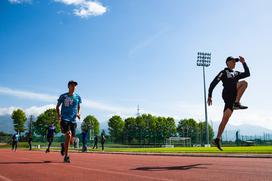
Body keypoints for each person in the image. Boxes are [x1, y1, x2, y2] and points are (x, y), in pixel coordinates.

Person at [208, 56, 250, 150]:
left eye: (235, 62)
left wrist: (243, 62)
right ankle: (237, 103)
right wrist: (210, 95)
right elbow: (213, 83)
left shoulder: (236, 73)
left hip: (233, 97)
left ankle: (217, 139)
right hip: (227, 93)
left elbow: (248, 73)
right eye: (233, 61)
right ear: (227, 63)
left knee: (225, 119)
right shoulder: (223, 72)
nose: (235, 63)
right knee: (244, 83)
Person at [56, 80, 82, 163]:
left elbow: (78, 106)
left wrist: (78, 113)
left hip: (73, 120)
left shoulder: (77, 97)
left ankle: (64, 145)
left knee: (71, 140)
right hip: (65, 118)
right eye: (72, 85)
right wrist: (59, 116)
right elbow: (57, 107)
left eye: (75, 86)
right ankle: (66, 156)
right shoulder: (63, 96)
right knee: (68, 134)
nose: (74, 87)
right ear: (68, 86)